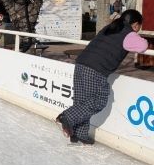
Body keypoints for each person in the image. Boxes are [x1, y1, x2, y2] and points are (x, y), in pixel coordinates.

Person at [56, 9, 148, 145]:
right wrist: (139, 37)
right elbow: (143, 46)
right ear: (135, 24)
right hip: (96, 69)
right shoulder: (128, 34)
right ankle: (67, 117)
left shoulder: (110, 27)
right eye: (139, 26)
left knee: (82, 101)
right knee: (99, 100)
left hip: (81, 63)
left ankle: (78, 134)